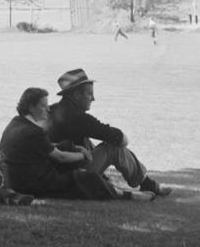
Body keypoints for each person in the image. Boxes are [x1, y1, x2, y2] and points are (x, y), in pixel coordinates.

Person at [46, 68, 170, 197]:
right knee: (113, 148)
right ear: (76, 95)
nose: (93, 98)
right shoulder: (79, 118)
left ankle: (106, 180)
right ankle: (147, 184)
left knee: (86, 143)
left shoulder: (52, 110)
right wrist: (121, 140)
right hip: (74, 175)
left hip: (53, 173)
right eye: (89, 94)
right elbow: (119, 138)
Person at [0, 88, 116, 199]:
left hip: (14, 182)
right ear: (31, 108)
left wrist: (76, 148)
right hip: (34, 184)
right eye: (43, 106)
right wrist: (83, 155)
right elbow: (61, 157)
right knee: (89, 178)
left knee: (65, 145)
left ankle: (107, 188)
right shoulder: (34, 132)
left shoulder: (15, 123)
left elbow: (42, 146)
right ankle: (119, 195)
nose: (48, 109)